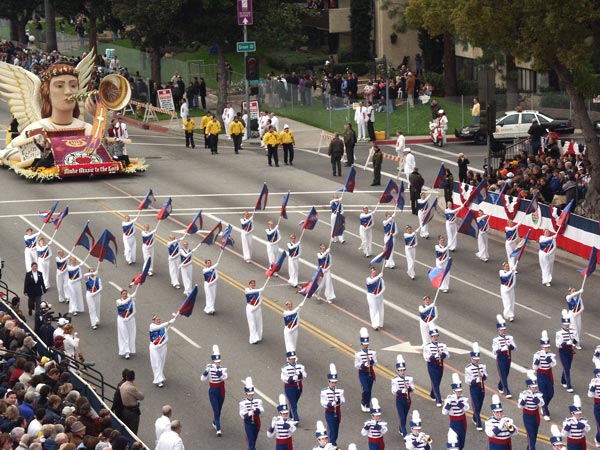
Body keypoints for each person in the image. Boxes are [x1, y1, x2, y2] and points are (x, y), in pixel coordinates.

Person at [201, 345, 227, 436]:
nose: (218, 363)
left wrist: (221, 375)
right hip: (213, 391)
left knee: (219, 409)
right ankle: (218, 429)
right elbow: (202, 379)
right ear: (213, 361)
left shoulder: (222, 369)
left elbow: (225, 377)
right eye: (216, 362)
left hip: (221, 390)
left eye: (219, 362)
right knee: (216, 410)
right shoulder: (209, 368)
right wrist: (205, 372)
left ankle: (215, 422)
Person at [532, 330, 557, 422]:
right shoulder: (537, 355)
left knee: (550, 393)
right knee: (543, 394)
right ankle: (546, 412)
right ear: (542, 346)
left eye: (548, 347)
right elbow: (534, 367)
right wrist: (537, 361)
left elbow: (554, 364)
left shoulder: (551, 354)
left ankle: (543, 406)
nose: (546, 348)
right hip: (541, 375)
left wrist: (549, 360)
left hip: (549, 375)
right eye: (545, 347)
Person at [423, 325, 449, 407]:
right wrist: (434, 356)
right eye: (433, 336)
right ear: (431, 337)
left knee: (437, 381)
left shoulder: (443, 345)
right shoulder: (427, 346)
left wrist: (442, 354)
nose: (435, 337)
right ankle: (439, 400)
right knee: (435, 382)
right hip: (432, 366)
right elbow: (426, 357)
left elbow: (448, 355)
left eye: (436, 336)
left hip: (440, 365)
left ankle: (432, 394)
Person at [442, 374, 470, 450]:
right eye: (457, 391)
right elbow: (444, 412)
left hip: (462, 422)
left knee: (461, 442)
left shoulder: (464, 399)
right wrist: (449, 404)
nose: (459, 393)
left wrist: (458, 402)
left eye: (460, 391)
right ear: (453, 391)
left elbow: (467, 408)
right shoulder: (449, 399)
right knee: (453, 442)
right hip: (453, 423)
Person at [518, 371, 544, 450]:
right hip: (527, 416)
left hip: (535, 416)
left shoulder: (538, 394)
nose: (534, 388)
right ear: (529, 387)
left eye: (535, 387)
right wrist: (524, 400)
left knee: (534, 435)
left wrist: (537, 400)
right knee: (531, 435)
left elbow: (542, 404)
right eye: (533, 387)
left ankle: (529, 447)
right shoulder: (523, 394)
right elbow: (520, 406)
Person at [149, 313, 176, 388]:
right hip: (154, 347)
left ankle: (160, 376)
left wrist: (161, 344)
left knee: (161, 362)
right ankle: (158, 380)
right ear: (154, 321)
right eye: (157, 320)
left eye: (159, 319)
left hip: (162, 347)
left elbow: (166, 338)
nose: (158, 320)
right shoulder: (151, 326)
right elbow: (157, 327)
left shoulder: (163, 328)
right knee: (157, 362)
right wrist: (168, 322)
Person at [493, 315, 517, 399]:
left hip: (508, 358)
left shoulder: (509, 337)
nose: (503, 331)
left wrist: (509, 346)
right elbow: (494, 351)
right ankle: (507, 390)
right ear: (499, 330)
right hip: (500, 358)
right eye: (502, 330)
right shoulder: (496, 339)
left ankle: (500, 385)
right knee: (503, 374)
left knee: (506, 374)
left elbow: (514, 347)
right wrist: (502, 349)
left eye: (504, 329)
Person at [320, 364, 344, 446]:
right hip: (329, 412)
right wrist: (330, 403)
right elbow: (323, 402)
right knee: (331, 429)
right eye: (332, 382)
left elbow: (343, 400)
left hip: (337, 412)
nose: (334, 384)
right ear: (329, 382)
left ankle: (331, 442)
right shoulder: (324, 391)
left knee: (336, 430)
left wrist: (338, 401)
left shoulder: (339, 390)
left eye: (335, 382)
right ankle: (332, 444)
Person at [465, 342, 487, 431]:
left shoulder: (482, 366)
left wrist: (483, 376)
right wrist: (475, 380)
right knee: (476, 405)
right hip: (474, 388)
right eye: (474, 359)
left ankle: (475, 417)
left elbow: (486, 375)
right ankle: (479, 423)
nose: (476, 361)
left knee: (480, 404)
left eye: (477, 359)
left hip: (481, 387)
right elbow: (467, 380)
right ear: (472, 358)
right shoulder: (468, 368)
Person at [556, 310, 579, 393]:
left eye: (568, 324)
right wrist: (567, 343)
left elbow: (576, 340)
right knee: (566, 368)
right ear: (562, 324)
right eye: (565, 324)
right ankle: (569, 385)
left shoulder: (573, 331)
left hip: (570, 351)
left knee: (568, 367)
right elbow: (558, 344)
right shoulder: (559, 333)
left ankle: (563, 380)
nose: (566, 325)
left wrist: (573, 343)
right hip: (562, 351)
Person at [355, 328, 378, 412]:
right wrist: (363, 365)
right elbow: (356, 365)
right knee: (366, 389)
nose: (366, 346)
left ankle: (367, 404)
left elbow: (376, 363)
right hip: (363, 373)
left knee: (370, 389)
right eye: (364, 344)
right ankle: (363, 402)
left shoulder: (372, 352)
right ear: (361, 344)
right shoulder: (358, 354)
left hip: (370, 373)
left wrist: (372, 361)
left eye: (367, 344)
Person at [281, 350, 307, 423]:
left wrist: (300, 375)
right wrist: (292, 378)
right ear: (288, 359)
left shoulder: (300, 366)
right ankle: (296, 419)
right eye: (291, 358)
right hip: (289, 387)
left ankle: (291, 415)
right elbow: (283, 378)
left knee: (294, 402)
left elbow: (305, 375)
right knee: (293, 403)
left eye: (294, 358)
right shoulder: (285, 368)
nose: (293, 360)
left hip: (299, 386)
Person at [391, 355, 414, 437]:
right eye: (400, 370)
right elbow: (393, 391)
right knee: (402, 417)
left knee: (405, 416)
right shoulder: (395, 379)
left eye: (403, 370)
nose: (402, 372)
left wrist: (409, 388)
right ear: (398, 371)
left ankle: (401, 428)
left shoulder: (409, 378)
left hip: (408, 400)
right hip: (400, 400)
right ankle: (405, 434)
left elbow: (413, 388)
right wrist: (402, 391)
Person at [239, 377, 263, 450]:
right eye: (249, 394)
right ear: (246, 393)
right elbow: (242, 415)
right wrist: (249, 413)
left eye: (252, 393)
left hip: (257, 421)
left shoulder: (258, 401)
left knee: (253, 439)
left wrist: (256, 410)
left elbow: (262, 410)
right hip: (248, 422)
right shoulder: (242, 403)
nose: (250, 395)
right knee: (251, 442)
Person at [119, 370, 144, 435]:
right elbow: (141, 397)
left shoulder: (122, 385)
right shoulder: (132, 388)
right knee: (133, 430)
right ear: (134, 378)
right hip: (132, 412)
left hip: (124, 409)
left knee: (127, 428)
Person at [116, 289, 136, 359]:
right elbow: (123, 303)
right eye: (123, 293)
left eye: (126, 293)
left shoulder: (131, 302)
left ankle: (130, 349)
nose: (125, 295)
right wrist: (131, 297)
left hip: (130, 319)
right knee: (125, 335)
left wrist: (129, 317)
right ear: (121, 294)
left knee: (131, 334)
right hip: (121, 319)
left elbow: (134, 311)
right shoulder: (118, 301)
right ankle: (126, 352)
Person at [245, 280, 264, 344]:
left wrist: (256, 307)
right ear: (249, 284)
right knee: (252, 323)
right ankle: (253, 339)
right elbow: (250, 292)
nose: (253, 284)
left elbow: (261, 300)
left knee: (258, 322)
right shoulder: (247, 289)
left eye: (254, 283)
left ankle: (258, 336)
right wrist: (260, 289)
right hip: (250, 307)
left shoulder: (258, 292)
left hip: (257, 308)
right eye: (251, 283)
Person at [588, 362, 600, 448]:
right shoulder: (593, 383)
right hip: (598, 405)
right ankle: (598, 439)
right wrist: (592, 388)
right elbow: (590, 395)